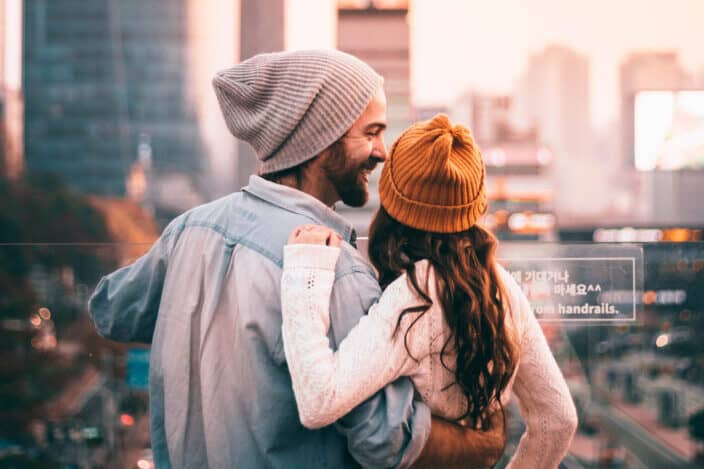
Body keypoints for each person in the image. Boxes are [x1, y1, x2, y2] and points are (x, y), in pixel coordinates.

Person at [89, 50, 506, 468]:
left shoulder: (188, 232)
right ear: (321, 139)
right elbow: (385, 439)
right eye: (371, 133)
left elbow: (111, 311)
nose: (382, 151)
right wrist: (483, 446)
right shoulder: (334, 272)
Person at [280, 114, 579, 468]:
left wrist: (305, 273)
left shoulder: (416, 295)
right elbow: (559, 420)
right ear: (473, 207)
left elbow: (319, 402)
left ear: (392, 203)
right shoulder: (500, 286)